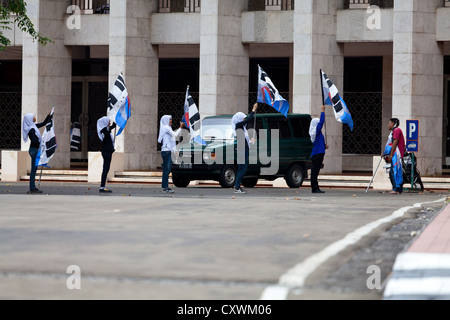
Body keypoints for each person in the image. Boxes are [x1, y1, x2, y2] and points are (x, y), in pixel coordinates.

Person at [232, 103, 259, 194]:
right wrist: (253, 109)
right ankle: (237, 187)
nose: (244, 119)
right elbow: (249, 119)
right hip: (242, 151)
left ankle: (237, 186)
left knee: (241, 168)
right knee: (242, 169)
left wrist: (251, 141)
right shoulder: (238, 125)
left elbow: (244, 140)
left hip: (243, 149)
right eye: (242, 117)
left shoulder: (242, 128)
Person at [22, 113, 51, 194]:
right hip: (34, 150)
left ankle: (33, 187)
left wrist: (49, 115)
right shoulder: (31, 129)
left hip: (35, 150)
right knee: (33, 170)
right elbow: (34, 141)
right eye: (33, 116)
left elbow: (43, 123)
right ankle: (32, 188)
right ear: (30, 119)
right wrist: (41, 141)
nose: (35, 117)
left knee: (34, 170)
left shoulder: (33, 127)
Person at [158, 115, 185, 194]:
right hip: (166, 151)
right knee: (166, 170)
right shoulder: (165, 128)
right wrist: (180, 127)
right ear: (166, 120)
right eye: (169, 120)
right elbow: (175, 135)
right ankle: (164, 187)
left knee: (168, 169)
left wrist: (175, 151)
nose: (171, 121)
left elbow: (172, 141)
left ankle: (165, 186)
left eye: (171, 119)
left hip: (168, 151)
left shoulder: (168, 128)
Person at [309, 105, 329, 194]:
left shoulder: (317, 133)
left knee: (315, 172)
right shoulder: (316, 131)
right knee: (314, 172)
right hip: (317, 154)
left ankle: (315, 188)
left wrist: (324, 146)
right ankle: (314, 188)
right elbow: (321, 122)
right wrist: (322, 111)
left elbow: (318, 143)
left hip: (318, 153)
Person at [384, 118, 405, 195]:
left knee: (394, 171)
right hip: (395, 154)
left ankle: (396, 189)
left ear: (393, 123)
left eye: (389, 123)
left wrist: (391, 154)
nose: (388, 125)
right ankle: (399, 189)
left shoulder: (396, 130)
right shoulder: (394, 131)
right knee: (396, 171)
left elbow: (395, 142)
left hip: (397, 154)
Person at [97, 116, 116, 194]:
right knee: (105, 169)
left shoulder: (106, 130)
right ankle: (102, 187)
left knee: (106, 168)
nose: (109, 123)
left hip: (108, 151)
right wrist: (112, 126)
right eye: (108, 122)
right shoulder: (103, 131)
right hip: (106, 152)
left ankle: (103, 186)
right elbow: (106, 131)